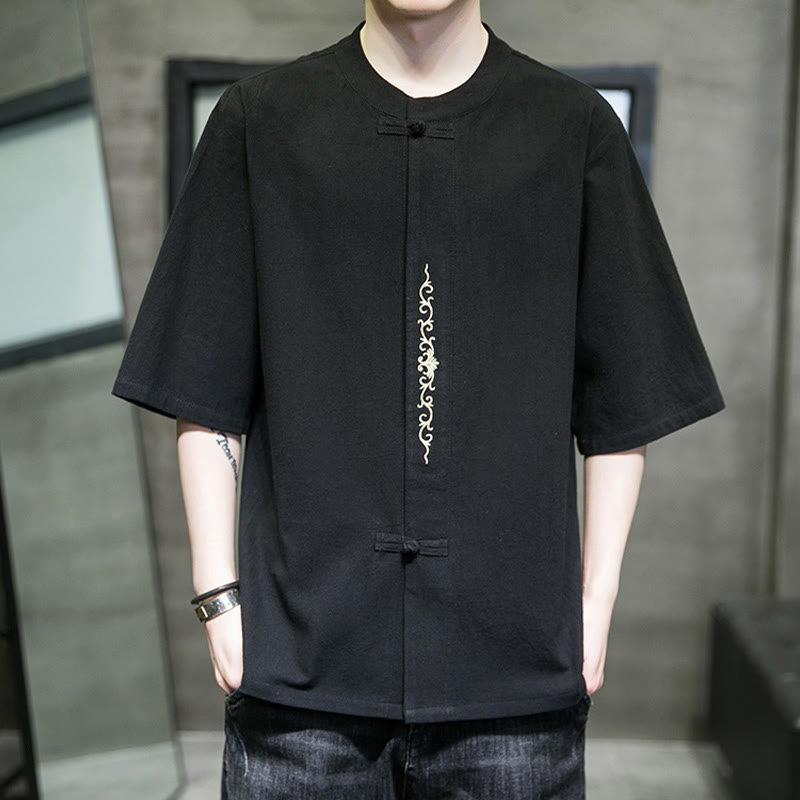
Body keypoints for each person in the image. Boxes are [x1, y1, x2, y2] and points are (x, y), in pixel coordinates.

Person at [111, 0, 726, 797]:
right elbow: (205, 386)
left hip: (513, 674)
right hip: (301, 670)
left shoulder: (572, 129)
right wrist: (218, 599)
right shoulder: (260, 123)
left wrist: (594, 602)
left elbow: (624, 401)